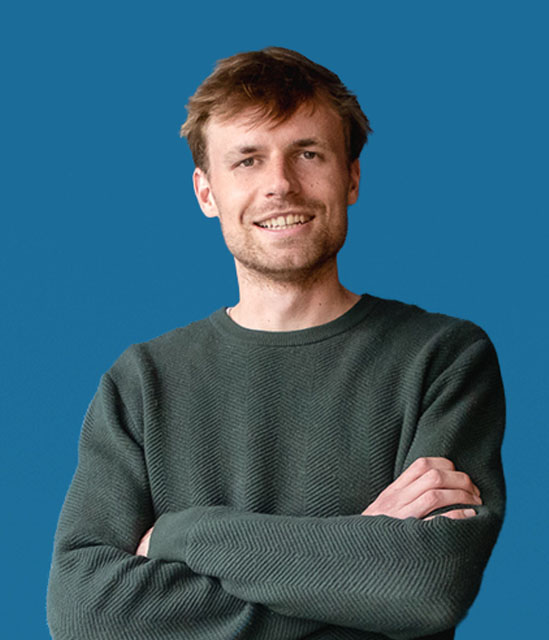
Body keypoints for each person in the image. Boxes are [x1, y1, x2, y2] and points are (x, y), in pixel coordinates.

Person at [47, 47, 505, 640]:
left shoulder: (442, 357)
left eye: (308, 154)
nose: (280, 185)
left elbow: (425, 586)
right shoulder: (142, 381)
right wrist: (357, 567)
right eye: (247, 160)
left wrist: (182, 534)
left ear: (352, 177)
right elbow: (85, 614)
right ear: (206, 193)